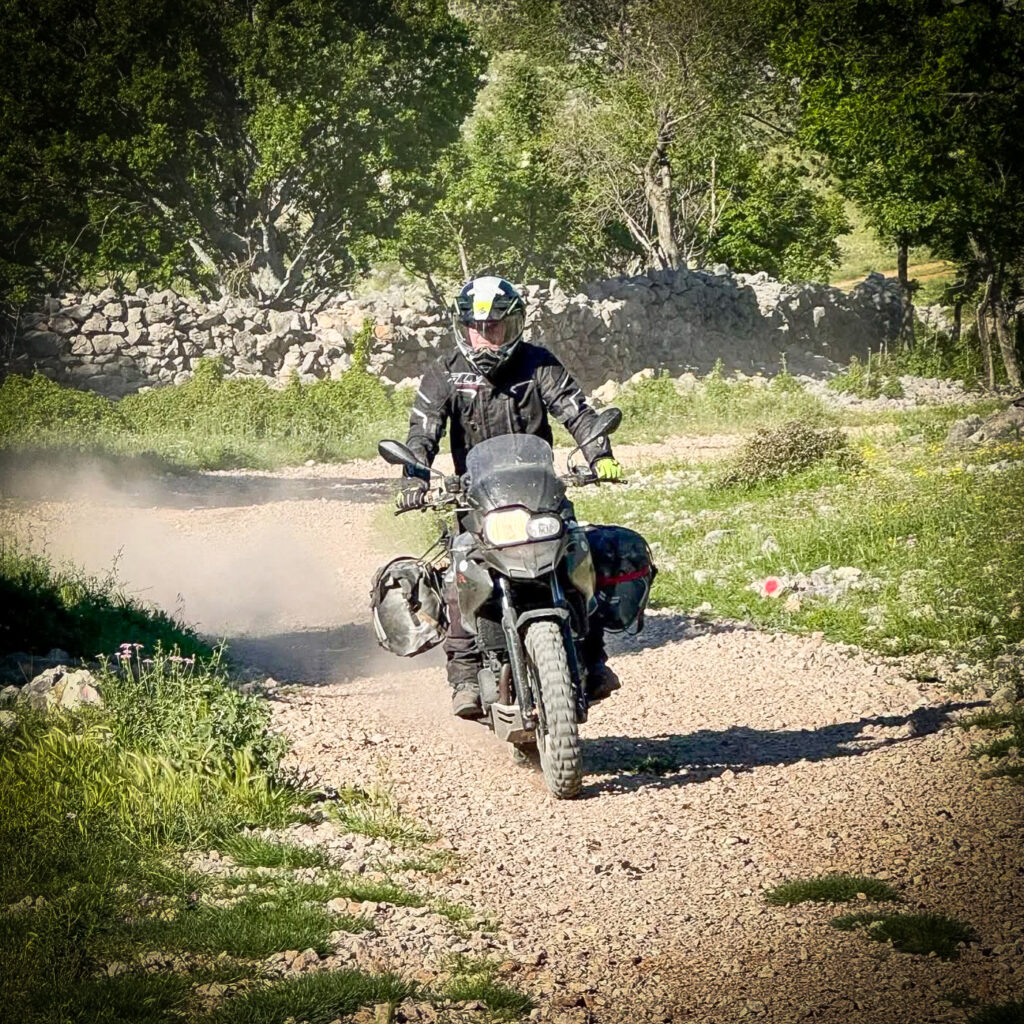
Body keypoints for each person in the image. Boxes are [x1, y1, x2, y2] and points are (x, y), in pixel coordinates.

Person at [397, 275, 624, 718]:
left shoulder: (538, 364)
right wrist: (414, 479)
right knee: (460, 571)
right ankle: (465, 676)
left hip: (540, 492)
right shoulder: (445, 372)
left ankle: (592, 656)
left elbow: (576, 411)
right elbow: (422, 431)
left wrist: (600, 455)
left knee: (578, 555)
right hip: (476, 498)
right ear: (463, 328)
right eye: (477, 327)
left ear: (514, 324)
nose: (486, 335)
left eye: (496, 326)